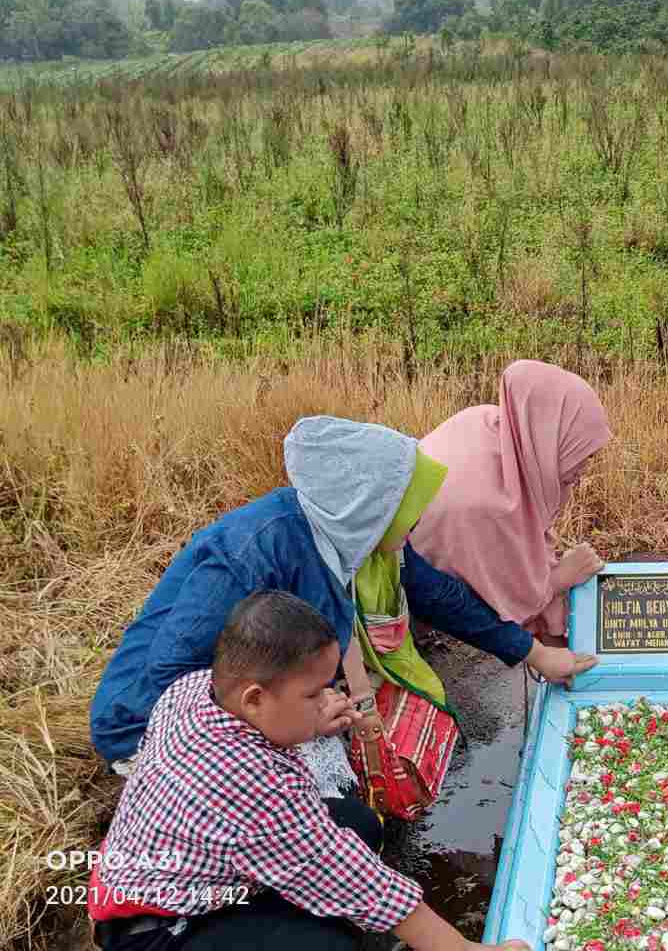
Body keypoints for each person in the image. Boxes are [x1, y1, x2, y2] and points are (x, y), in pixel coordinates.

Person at [90, 415, 596, 783]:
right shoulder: (253, 553)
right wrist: (296, 723)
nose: (419, 522)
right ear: (371, 504)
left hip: (261, 701)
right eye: (411, 508)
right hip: (156, 726)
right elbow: (171, 681)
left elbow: (442, 597)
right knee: (337, 820)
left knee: (351, 803)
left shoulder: (355, 535)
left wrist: (534, 653)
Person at [88, 590, 533, 951]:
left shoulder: (191, 690)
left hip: (175, 862)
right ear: (256, 699)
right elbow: (351, 878)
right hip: (152, 923)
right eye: (314, 694)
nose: (326, 700)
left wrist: (309, 720)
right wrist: (460, 948)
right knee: (327, 942)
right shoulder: (253, 790)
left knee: (357, 823)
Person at [410, 359, 612, 648]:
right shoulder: (482, 505)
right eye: (583, 453)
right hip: (392, 608)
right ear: (551, 435)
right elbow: (494, 608)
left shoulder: (499, 429)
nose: (585, 468)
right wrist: (559, 579)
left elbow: (527, 549)